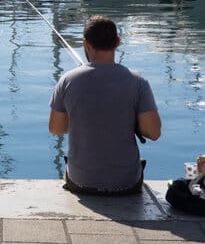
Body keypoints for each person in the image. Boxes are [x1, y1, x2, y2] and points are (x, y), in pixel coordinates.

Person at [49, 15, 161, 195]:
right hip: (126, 184)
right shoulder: (138, 82)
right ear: (117, 41)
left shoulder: (67, 81)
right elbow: (154, 133)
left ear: (86, 44)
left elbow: (56, 128)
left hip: (81, 182)